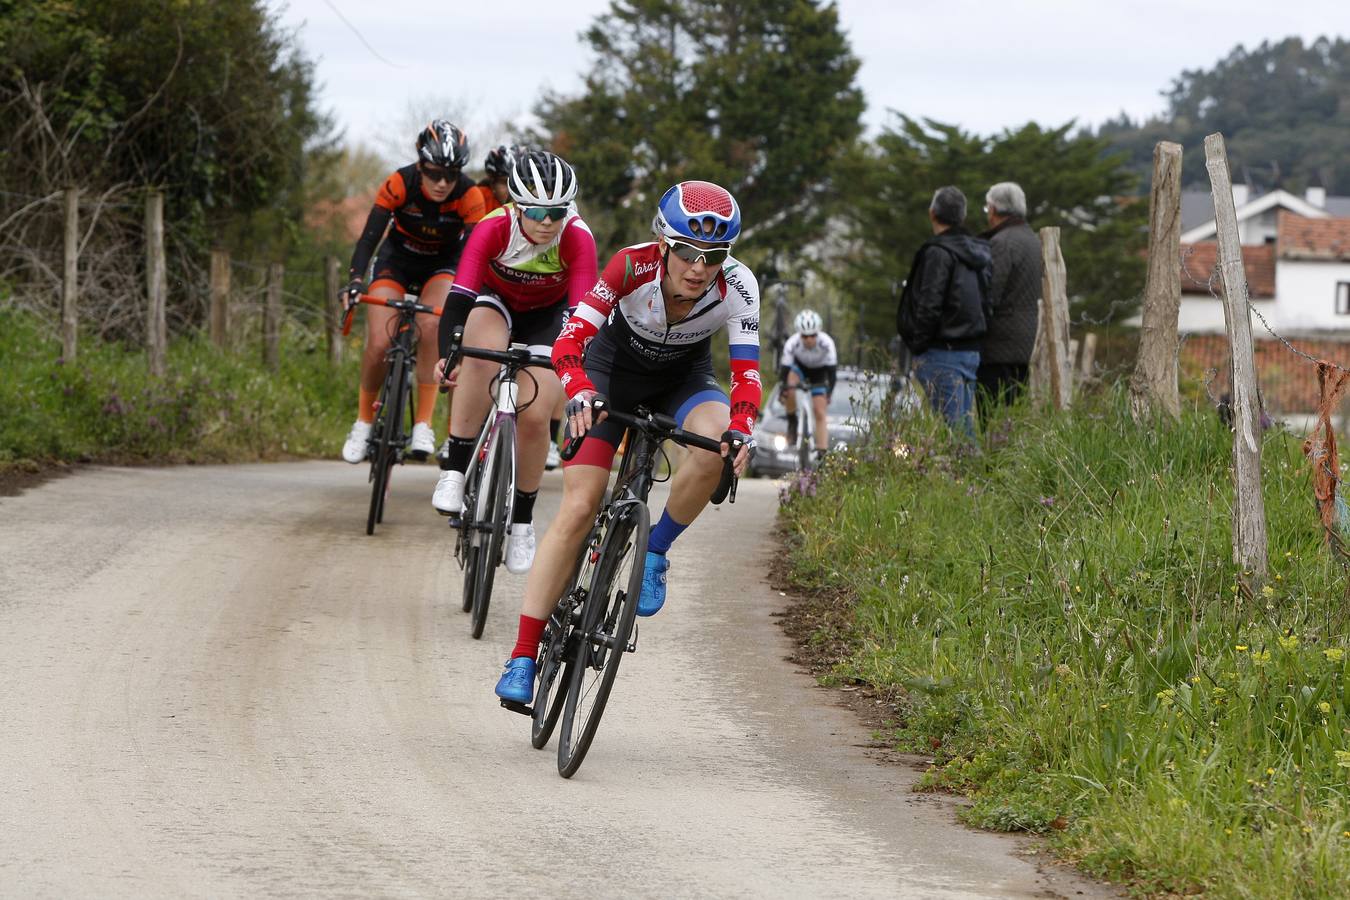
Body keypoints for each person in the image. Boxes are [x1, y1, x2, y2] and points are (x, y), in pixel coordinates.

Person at [493, 180, 759, 703]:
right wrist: (580, 391)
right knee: (580, 506)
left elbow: (747, 373)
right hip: (609, 373)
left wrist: (742, 428)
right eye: (687, 251)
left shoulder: (739, 284)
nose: (699, 267)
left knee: (713, 447)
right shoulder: (629, 266)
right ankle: (523, 655)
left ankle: (654, 551)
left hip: (684, 378)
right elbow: (571, 340)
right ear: (664, 245)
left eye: (713, 255)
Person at [432, 150, 598, 574]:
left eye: (557, 211)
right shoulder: (493, 227)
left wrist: (575, 372)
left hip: (547, 316)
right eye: (538, 211)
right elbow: (460, 296)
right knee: (479, 359)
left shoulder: (577, 237)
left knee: (537, 411)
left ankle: (521, 521)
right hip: (496, 301)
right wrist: (447, 356)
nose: (547, 221)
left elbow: (582, 315)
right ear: (518, 206)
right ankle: (454, 470)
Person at [339, 120, 485, 464]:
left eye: (451, 175)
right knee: (378, 343)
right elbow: (368, 240)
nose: (443, 183)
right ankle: (362, 421)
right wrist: (356, 280)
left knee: (433, 325)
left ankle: (423, 423)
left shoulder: (469, 195)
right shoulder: (399, 183)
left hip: (442, 266)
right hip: (397, 262)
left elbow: (474, 256)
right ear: (421, 165)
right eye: (435, 173)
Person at [896, 186, 992, 440]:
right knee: (960, 426)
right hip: (971, 351)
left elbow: (930, 303)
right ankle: (965, 476)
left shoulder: (938, 253)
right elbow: (987, 300)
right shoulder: (979, 255)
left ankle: (969, 479)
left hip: (941, 351)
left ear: (932, 214)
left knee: (957, 434)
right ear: (961, 217)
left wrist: (918, 344)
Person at [977, 182, 1042, 412]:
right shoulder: (1034, 240)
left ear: (993, 209)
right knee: (1013, 414)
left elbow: (990, 294)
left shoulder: (1002, 243)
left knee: (991, 414)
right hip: (1027, 342)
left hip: (999, 347)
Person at [778, 309, 838, 461]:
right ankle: (792, 420)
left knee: (819, 411)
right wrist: (783, 389)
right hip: (800, 369)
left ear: (818, 333)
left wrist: (828, 393)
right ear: (800, 334)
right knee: (790, 384)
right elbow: (784, 371)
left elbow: (832, 374)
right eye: (805, 336)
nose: (809, 339)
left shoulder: (827, 343)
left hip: (820, 371)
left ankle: (822, 452)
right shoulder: (792, 343)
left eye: (812, 335)